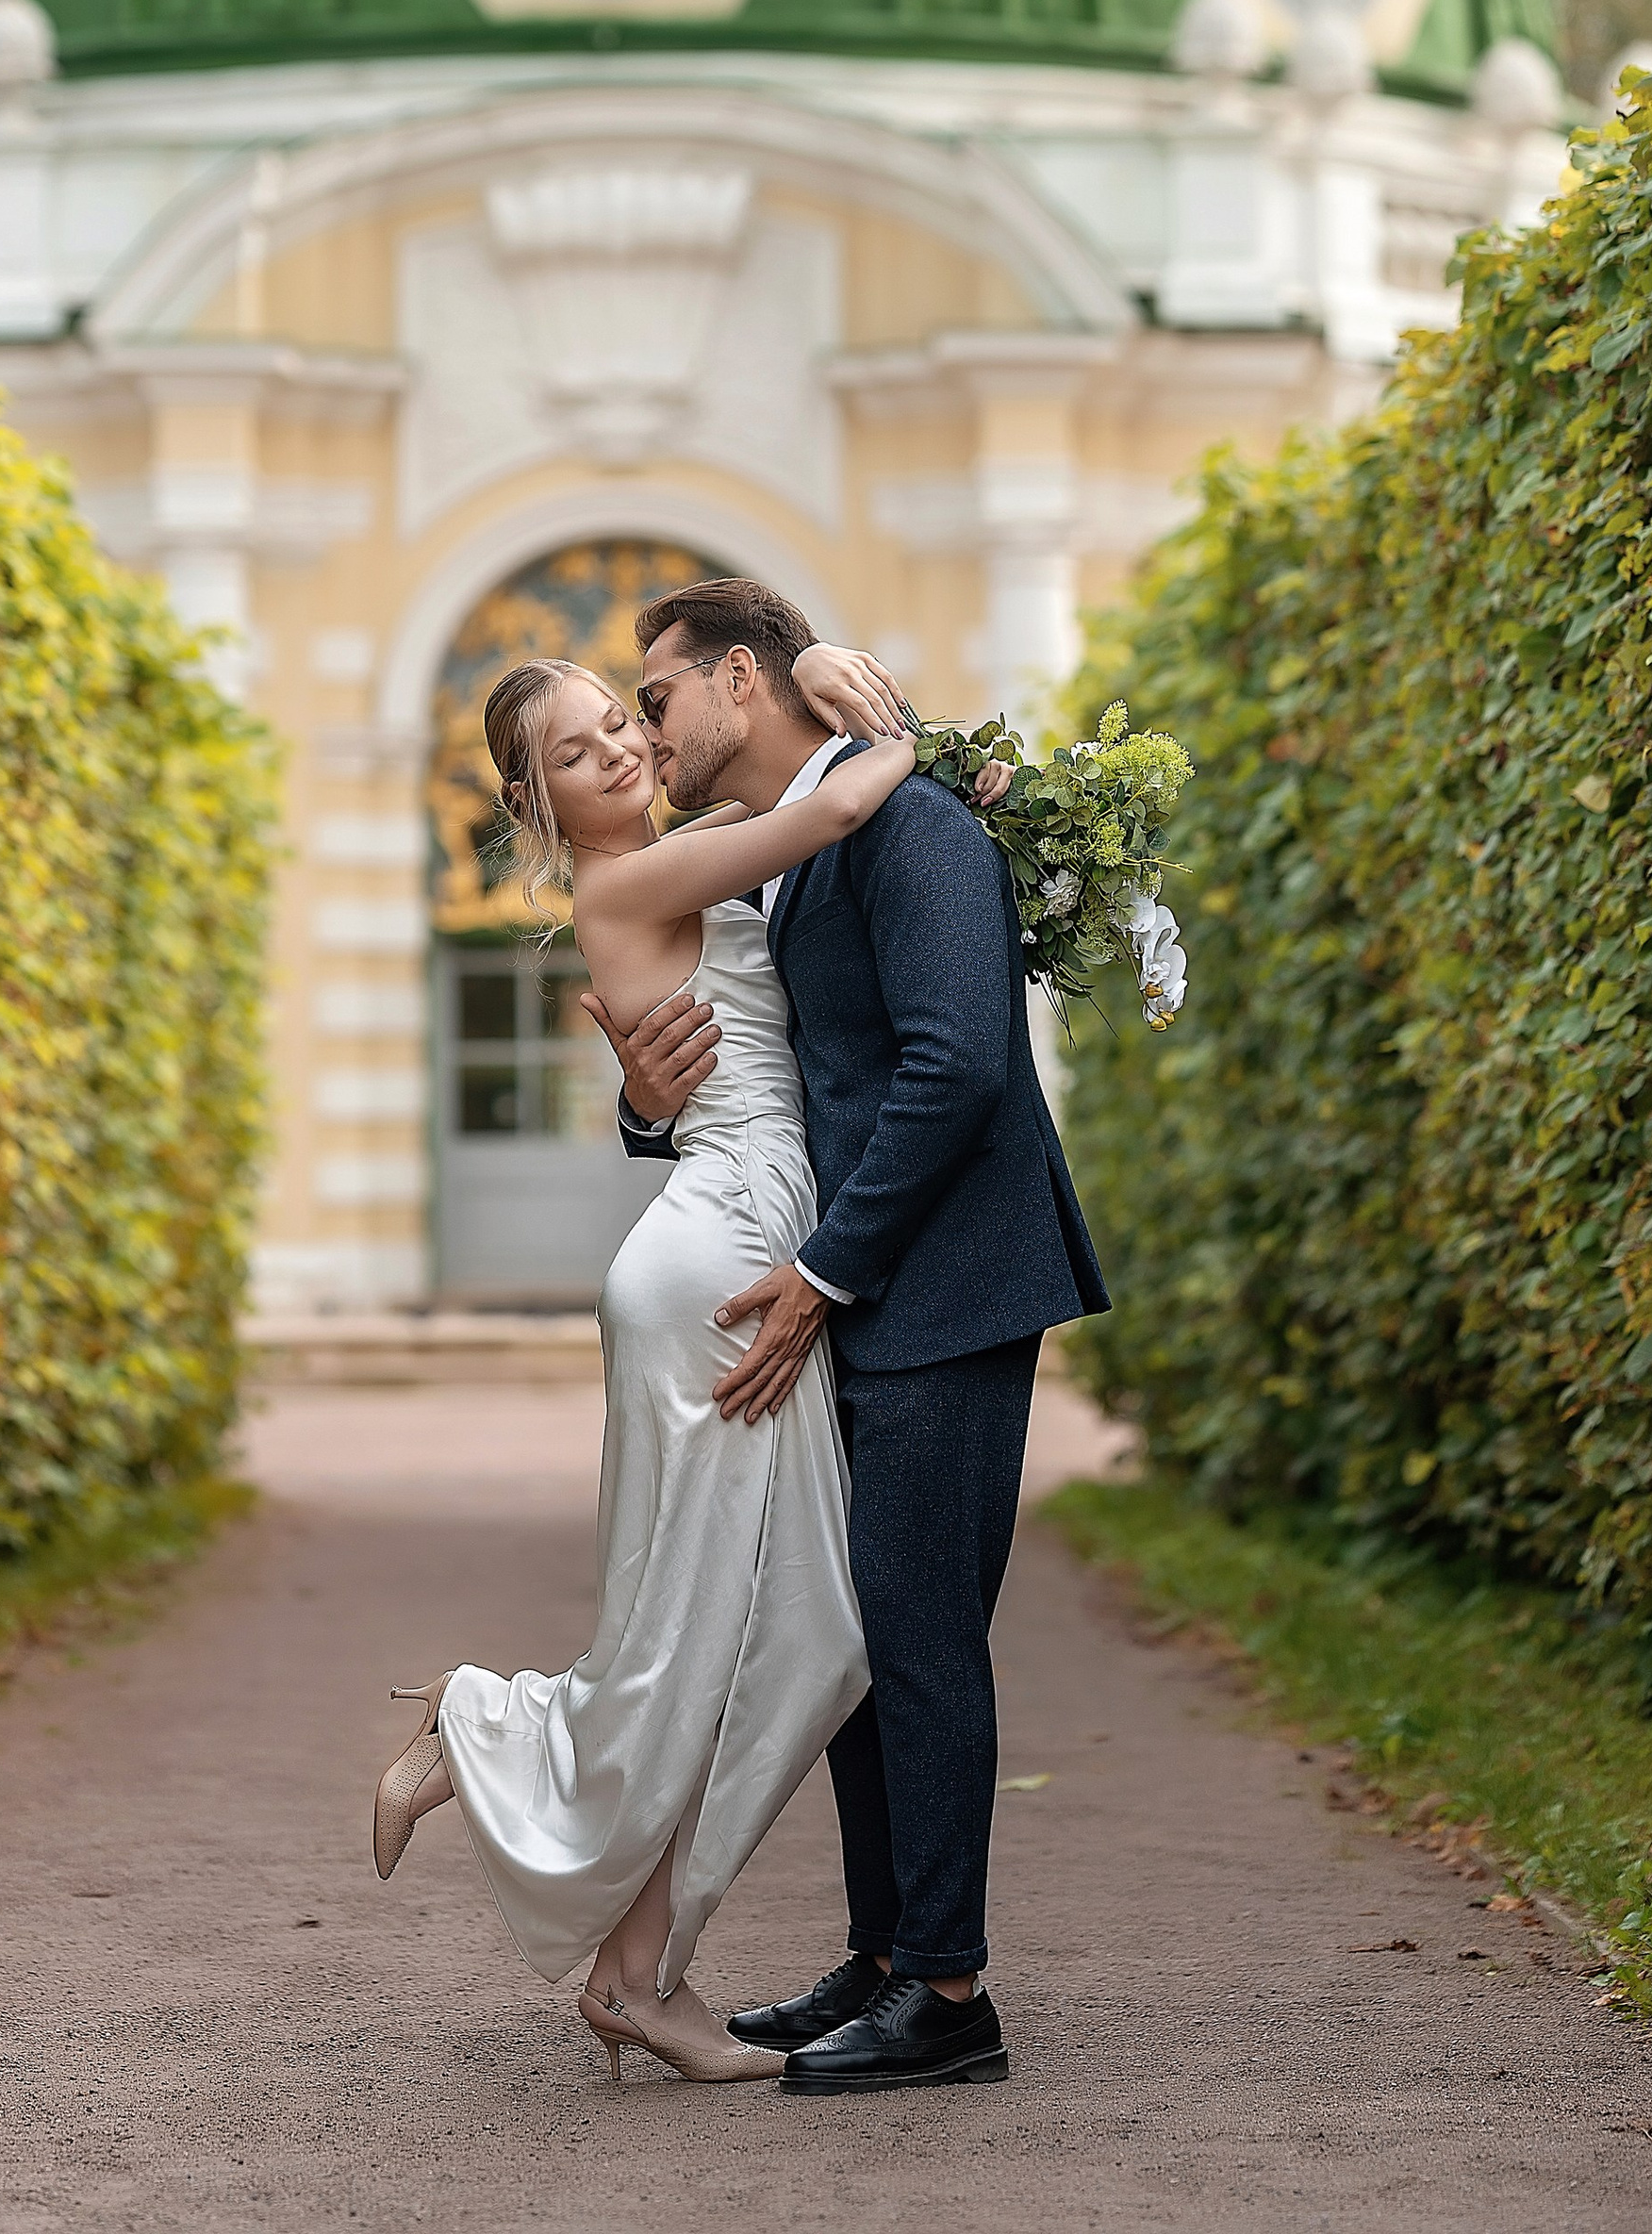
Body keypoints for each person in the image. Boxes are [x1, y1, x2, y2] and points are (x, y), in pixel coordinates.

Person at [370, 634, 944, 2085]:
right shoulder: (633, 875)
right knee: (724, 1634)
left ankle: (639, 1977)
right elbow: (821, 815)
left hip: (732, 1238)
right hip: (719, 1263)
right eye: (576, 752)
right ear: (538, 804)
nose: (619, 749)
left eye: (620, 722)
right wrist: (908, 735)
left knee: (765, 1635)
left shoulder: (683, 855)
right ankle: (491, 1734)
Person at [599, 576, 1109, 2096]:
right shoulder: (789, 863)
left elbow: (958, 1071)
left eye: (661, 698)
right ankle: (888, 1955)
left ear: (745, 679)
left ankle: (950, 1995)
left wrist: (822, 1274)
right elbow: (764, 1079)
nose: (647, 734)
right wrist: (647, 1098)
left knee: (921, 1637)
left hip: (942, 1288)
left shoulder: (913, 827)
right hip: (869, 1293)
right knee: (859, 1643)